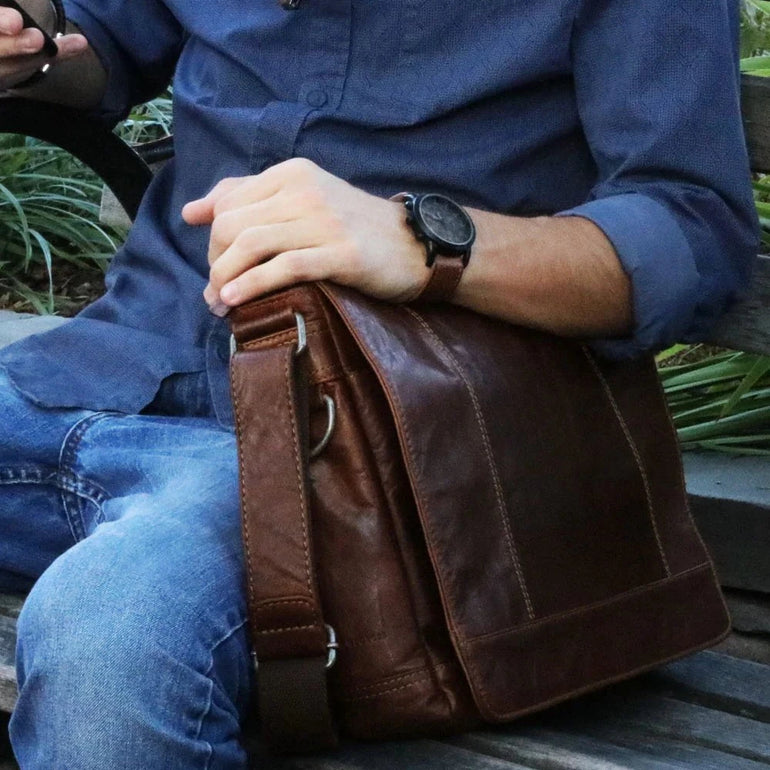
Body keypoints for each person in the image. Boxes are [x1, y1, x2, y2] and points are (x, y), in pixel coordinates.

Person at [0, 0, 759, 767]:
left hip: (364, 451)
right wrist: (31, 42)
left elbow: (694, 233)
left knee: (110, 630)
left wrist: (426, 241)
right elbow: (104, 37)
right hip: (111, 363)